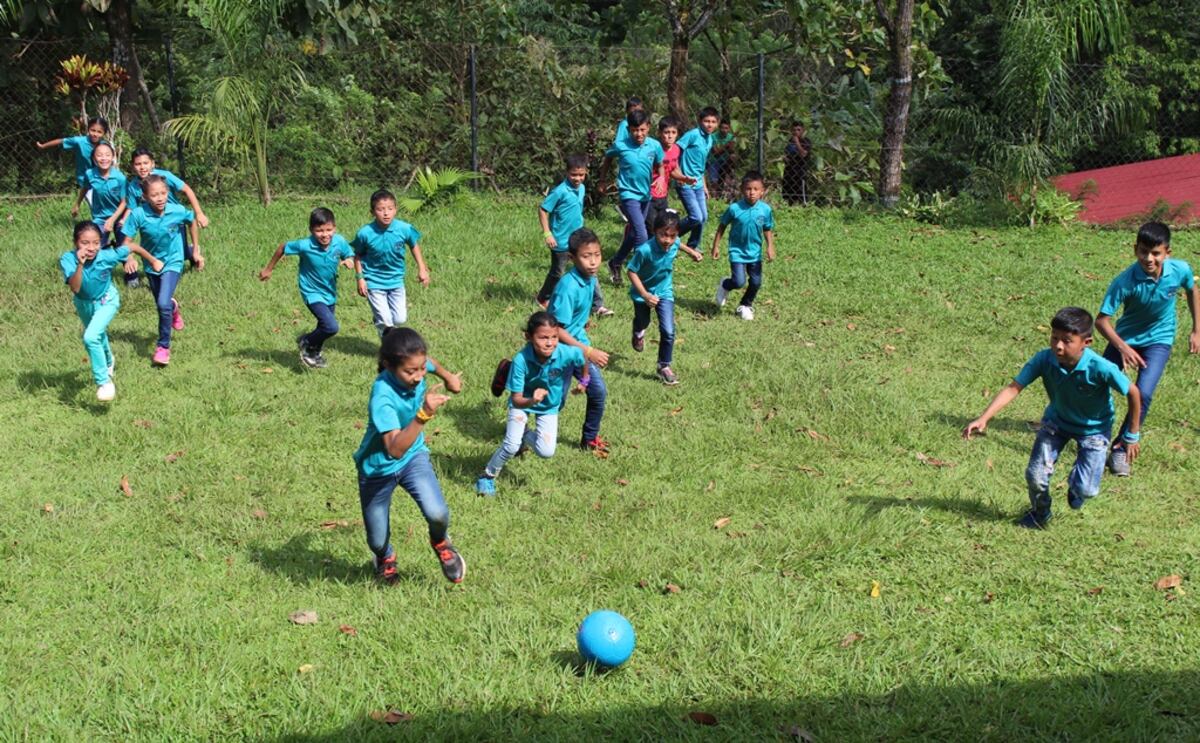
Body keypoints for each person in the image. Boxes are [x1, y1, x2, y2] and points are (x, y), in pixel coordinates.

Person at [963, 307, 1141, 529]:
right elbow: (1014, 387)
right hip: (1056, 423)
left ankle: (1076, 484)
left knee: (1087, 490)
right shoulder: (1044, 359)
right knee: (1035, 475)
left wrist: (1132, 435)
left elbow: (1134, 393)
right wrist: (984, 418)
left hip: (1094, 430)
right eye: (1054, 337)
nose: (1058, 345)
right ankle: (1040, 513)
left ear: (1087, 342)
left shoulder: (1101, 367)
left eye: (1067, 341)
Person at [354, 328, 466, 584]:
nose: (418, 377)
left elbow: (429, 362)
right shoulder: (382, 395)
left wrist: (448, 376)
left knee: (437, 513)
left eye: (420, 370)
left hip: (413, 458)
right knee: (377, 540)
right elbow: (394, 449)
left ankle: (440, 541)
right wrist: (424, 414)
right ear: (388, 365)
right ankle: (385, 558)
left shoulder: (417, 366)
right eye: (410, 372)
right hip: (377, 469)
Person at [1096, 221, 1199, 477]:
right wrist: (1122, 347)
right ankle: (1081, 429)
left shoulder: (1180, 270)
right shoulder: (1125, 281)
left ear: (1167, 253)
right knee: (1096, 383)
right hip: (1125, 340)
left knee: (1144, 393)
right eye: (1143, 251)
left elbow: (1192, 290)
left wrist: (1197, 329)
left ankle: (1121, 447)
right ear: (1135, 250)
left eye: (1156, 253)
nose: (1149, 258)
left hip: (1159, 340)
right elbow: (1101, 320)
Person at [476, 312, 585, 496]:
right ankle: (487, 476)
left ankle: (525, 433)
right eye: (543, 338)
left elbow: (582, 357)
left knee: (546, 451)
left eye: (554, 337)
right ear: (528, 337)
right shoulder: (521, 360)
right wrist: (532, 399)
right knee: (511, 446)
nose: (549, 343)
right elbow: (517, 400)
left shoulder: (565, 352)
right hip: (522, 403)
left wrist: (585, 381)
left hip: (549, 406)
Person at [60, 221, 162, 401]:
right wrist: (80, 265)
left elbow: (132, 247)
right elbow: (75, 288)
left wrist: (153, 261)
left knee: (90, 337)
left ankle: (104, 382)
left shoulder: (107, 256)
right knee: (98, 335)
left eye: (96, 243)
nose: (91, 248)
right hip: (83, 303)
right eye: (85, 243)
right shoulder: (68, 259)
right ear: (75, 242)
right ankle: (108, 361)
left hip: (107, 300)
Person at [120, 174, 204, 367]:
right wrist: (129, 257)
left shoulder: (177, 210)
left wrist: (195, 249)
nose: (160, 198)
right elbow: (126, 242)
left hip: (173, 262)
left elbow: (191, 221)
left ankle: (163, 347)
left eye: (163, 193)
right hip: (151, 265)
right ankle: (174, 309)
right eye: (154, 195)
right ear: (145, 196)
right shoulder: (138, 214)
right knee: (163, 304)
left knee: (162, 303)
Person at [258, 207, 356, 368]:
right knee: (331, 327)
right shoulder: (305, 245)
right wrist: (268, 269)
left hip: (329, 292)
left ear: (335, 228)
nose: (325, 234)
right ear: (311, 230)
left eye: (328, 230)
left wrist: (349, 261)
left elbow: (348, 253)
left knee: (324, 326)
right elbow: (283, 247)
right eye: (319, 231)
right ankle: (306, 341)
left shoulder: (339, 241)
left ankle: (313, 353)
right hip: (311, 292)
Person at [548, 228, 612, 451]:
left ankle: (589, 439)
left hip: (577, 346)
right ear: (572, 258)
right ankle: (521, 430)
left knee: (598, 392)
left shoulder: (590, 279)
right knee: (557, 400)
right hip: (560, 350)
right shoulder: (568, 287)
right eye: (586, 256)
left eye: (597, 255)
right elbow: (556, 330)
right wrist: (588, 351)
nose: (593, 262)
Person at [627, 211, 702, 385]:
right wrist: (645, 294)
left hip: (664, 291)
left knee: (668, 330)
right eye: (663, 235)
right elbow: (631, 271)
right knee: (643, 322)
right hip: (643, 293)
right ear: (654, 232)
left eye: (672, 235)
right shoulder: (645, 250)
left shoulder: (674, 242)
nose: (667, 240)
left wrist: (691, 252)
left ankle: (664, 366)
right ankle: (638, 332)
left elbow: (678, 243)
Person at [536, 154, 611, 316]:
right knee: (557, 272)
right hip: (560, 241)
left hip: (578, 239)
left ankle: (597, 306)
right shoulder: (560, 191)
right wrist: (548, 234)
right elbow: (543, 210)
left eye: (581, 174)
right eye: (574, 174)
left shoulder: (582, 188)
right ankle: (543, 297)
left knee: (590, 268)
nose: (577, 178)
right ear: (567, 172)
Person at [352, 189, 429, 335]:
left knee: (400, 319)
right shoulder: (365, 233)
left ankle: (379, 321)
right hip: (373, 281)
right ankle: (390, 347)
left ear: (395, 210)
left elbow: (414, 245)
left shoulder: (404, 229)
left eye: (390, 209)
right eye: (380, 209)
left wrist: (422, 268)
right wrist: (360, 278)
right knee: (387, 322)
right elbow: (357, 256)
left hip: (396, 280)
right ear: (372, 211)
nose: (386, 213)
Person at [600, 110, 663, 286]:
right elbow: (608, 158)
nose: (639, 134)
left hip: (645, 195)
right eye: (635, 130)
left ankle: (615, 262)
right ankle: (641, 274)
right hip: (628, 194)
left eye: (642, 129)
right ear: (628, 129)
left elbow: (660, 165)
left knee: (635, 232)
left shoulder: (654, 146)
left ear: (648, 127)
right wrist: (603, 180)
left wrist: (662, 178)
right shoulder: (621, 145)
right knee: (642, 235)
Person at [125, 148, 211, 271]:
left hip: (175, 221)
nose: (142, 167)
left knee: (179, 254)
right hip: (156, 223)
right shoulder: (133, 186)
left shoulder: (165, 176)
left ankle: (192, 252)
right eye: (138, 164)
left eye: (146, 163)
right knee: (162, 253)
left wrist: (199, 213)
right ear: (133, 167)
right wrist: (125, 222)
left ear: (153, 164)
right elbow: (132, 209)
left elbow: (187, 190)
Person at [711, 171, 776, 321]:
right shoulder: (735, 208)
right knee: (739, 281)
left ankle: (745, 305)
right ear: (742, 189)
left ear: (762, 191)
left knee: (756, 282)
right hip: (737, 251)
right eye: (748, 189)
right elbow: (722, 226)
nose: (751, 193)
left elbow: (767, 228)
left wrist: (770, 246)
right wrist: (716, 246)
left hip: (755, 252)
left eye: (756, 189)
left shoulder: (765, 210)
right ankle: (725, 285)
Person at [675, 107, 720, 255]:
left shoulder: (710, 139)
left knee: (703, 217)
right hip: (685, 182)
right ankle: (669, 235)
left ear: (717, 124)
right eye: (707, 121)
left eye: (713, 122)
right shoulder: (692, 135)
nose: (709, 125)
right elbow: (675, 151)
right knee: (696, 217)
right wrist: (680, 175)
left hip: (698, 184)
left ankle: (693, 245)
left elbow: (701, 165)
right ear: (700, 121)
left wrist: (705, 185)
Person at [35, 116, 109, 199]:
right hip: (85, 180)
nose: (95, 134)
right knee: (96, 205)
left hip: (101, 180)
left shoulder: (104, 146)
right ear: (88, 129)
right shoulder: (79, 141)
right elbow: (61, 141)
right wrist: (43, 146)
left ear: (104, 133)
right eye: (93, 130)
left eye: (99, 132)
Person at [75, 141, 126, 247]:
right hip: (100, 217)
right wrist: (77, 204)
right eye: (99, 155)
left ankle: (117, 250)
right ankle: (105, 249)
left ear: (112, 157)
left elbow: (124, 202)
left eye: (107, 155)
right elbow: (85, 188)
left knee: (124, 249)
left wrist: (112, 220)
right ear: (94, 158)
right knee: (96, 246)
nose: (104, 158)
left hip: (119, 217)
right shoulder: (90, 175)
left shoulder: (120, 178)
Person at [645, 115, 684, 236]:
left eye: (673, 132)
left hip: (663, 194)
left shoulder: (676, 149)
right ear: (659, 133)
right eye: (667, 132)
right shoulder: (653, 149)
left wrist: (683, 177)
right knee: (652, 227)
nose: (670, 136)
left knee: (663, 224)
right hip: (649, 194)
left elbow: (673, 168)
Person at [782, 121, 812, 206]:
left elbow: (803, 154)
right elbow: (787, 155)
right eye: (794, 130)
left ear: (803, 130)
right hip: (789, 173)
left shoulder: (806, 141)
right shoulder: (789, 142)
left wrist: (797, 142)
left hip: (800, 173)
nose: (796, 132)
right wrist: (785, 159)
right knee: (788, 197)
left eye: (798, 130)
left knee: (802, 198)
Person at [707, 118, 736, 198]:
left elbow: (732, 150)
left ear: (729, 129)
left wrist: (730, 147)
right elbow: (715, 153)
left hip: (726, 161)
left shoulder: (731, 137)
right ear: (719, 128)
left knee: (733, 156)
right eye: (722, 128)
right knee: (714, 182)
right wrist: (727, 145)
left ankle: (731, 177)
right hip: (714, 161)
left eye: (726, 128)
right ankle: (713, 197)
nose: (724, 130)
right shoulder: (713, 137)